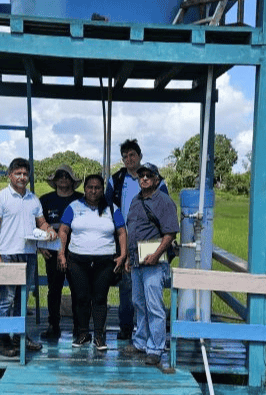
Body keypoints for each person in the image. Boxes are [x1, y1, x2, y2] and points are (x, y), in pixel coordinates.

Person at [0, 157, 58, 357]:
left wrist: (49, 230)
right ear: (9, 175)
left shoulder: (33, 199)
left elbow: (42, 223)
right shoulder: (0, 198)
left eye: (25, 174)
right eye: (17, 173)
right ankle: (3, 341)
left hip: (28, 254)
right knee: (5, 299)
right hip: (8, 254)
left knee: (22, 298)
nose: (21, 177)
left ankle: (20, 337)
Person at [106, 139, 169, 341]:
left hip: (152, 242)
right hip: (125, 240)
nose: (128, 159)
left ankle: (156, 341)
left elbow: (166, 220)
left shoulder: (159, 184)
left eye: (132, 155)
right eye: (124, 156)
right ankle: (128, 329)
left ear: (140, 156)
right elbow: (108, 209)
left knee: (152, 292)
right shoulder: (115, 180)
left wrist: (160, 248)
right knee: (129, 289)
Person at [57, 174, 127, 351]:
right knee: (81, 297)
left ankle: (99, 336)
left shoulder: (112, 208)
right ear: (85, 188)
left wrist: (123, 254)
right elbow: (64, 230)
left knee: (99, 298)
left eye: (97, 187)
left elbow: (121, 232)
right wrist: (61, 254)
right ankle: (82, 334)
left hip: (104, 261)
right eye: (90, 187)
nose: (93, 191)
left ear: (102, 190)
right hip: (77, 260)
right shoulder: (74, 206)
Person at [123, 163, 179, 366]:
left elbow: (170, 233)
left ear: (157, 180)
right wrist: (129, 257)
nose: (144, 178)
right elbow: (132, 230)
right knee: (139, 303)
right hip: (137, 260)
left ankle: (156, 347)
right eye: (142, 175)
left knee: (154, 305)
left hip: (154, 262)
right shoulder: (136, 201)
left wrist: (156, 255)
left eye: (149, 175)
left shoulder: (164, 201)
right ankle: (140, 342)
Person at [38, 164, 83, 340]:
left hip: (77, 252)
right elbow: (37, 226)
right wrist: (41, 246)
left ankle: (79, 327)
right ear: (55, 180)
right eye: (60, 175)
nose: (63, 178)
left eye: (67, 176)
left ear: (72, 180)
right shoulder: (45, 200)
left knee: (78, 290)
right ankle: (53, 325)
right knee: (54, 290)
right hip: (52, 252)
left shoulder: (81, 199)